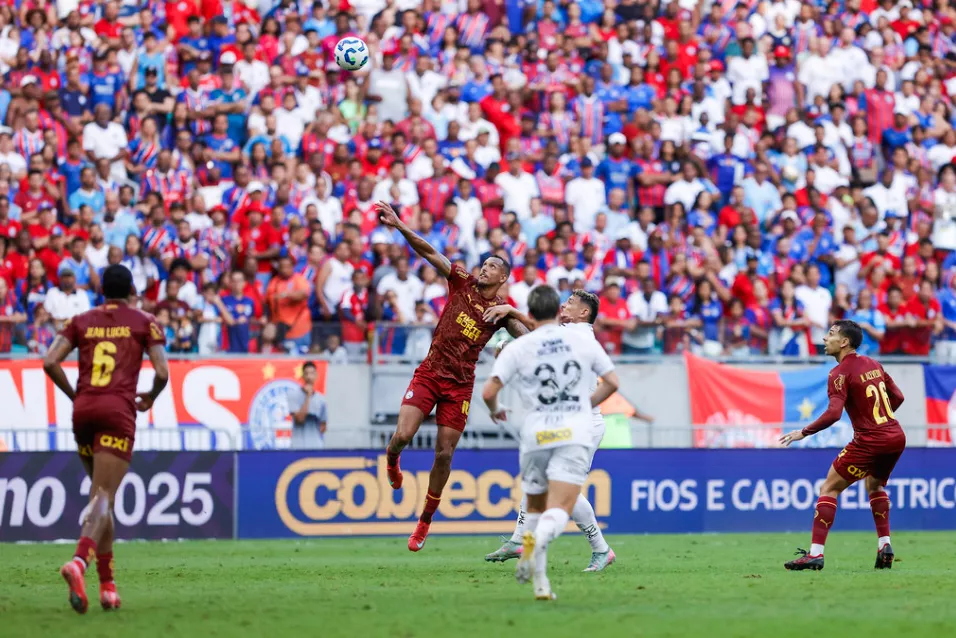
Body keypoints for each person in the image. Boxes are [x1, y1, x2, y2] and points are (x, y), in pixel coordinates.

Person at [376, 201, 529, 552]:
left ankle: (424, 522)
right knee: (403, 434)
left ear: (502, 278)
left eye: (492, 266)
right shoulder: (461, 281)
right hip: (430, 373)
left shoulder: (500, 312)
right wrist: (400, 225)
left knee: (444, 454)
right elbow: (429, 251)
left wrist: (520, 325)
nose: (484, 268)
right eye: (485, 263)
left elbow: (531, 336)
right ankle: (392, 459)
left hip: (460, 385)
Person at [42, 264, 169, 613]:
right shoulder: (144, 321)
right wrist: (152, 396)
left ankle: (108, 587)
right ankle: (78, 562)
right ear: (131, 290)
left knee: (101, 496)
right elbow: (161, 371)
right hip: (117, 412)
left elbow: (50, 361)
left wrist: (75, 396)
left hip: (83, 411)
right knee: (103, 496)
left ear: (102, 292)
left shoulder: (81, 320)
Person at [481, 285, 619, 600]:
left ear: (584, 313)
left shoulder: (580, 336)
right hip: (561, 422)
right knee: (546, 488)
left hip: (581, 423)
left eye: (571, 302)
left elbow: (538, 334)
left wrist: (511, 317)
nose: (565, 305)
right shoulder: (568, 334)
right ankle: (523, 544)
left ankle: (596, 548)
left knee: (558, 495)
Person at [780, 320, 905, 572]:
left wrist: (803, 432)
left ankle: (815, 554)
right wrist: (880, 419)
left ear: (844, 342)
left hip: (870, 439)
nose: (825, 339)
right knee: (875, 484)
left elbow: (834, 413)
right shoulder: (873, 364)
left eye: (831, 334)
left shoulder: (839, 373)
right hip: (895, 436)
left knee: (829, 488)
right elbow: (898, 397)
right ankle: (885, 545)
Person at [288, 360, 328, 449]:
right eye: (306, 374)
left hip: (316, 446)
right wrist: (308, 397)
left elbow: (323, 425)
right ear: (302, 376)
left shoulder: (321, 399)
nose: (309, 377)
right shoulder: (293, 396)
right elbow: (299, 419)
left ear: (316, 376)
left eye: (312, 373)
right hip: (298, 446)